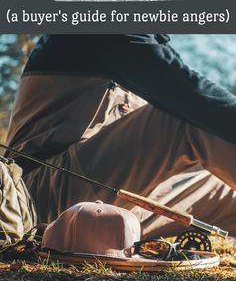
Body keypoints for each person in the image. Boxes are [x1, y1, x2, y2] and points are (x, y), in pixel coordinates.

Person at [6, 34, 236, 238]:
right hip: (41, 201)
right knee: (187, 115)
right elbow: (191, 96)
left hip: (118, 204)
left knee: (223, 191)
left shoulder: (148, 41)